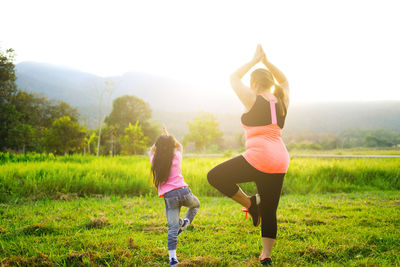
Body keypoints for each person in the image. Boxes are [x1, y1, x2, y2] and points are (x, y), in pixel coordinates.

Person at [207, 44, 290, 266]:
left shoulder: (253, 98)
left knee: (215, 176)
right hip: (280, 159)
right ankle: (266, 255)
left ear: (254, 84)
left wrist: (255, 61)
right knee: (270, 210)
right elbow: (284, 82)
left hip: (258, 157)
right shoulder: (282, 100)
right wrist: (268, 62)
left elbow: (234, 77)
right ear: (270, 83)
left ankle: (250, 203)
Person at [150, 126, 200, 267]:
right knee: (196, 205)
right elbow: (179, 145)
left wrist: (161, 139)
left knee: (172, 228)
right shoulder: (177, 156)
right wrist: (168, 136)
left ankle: (173, 259)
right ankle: (185, 223)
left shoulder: (154, 160)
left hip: (170, 197)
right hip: (184, 192)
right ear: (172, 146)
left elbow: (153, 149)